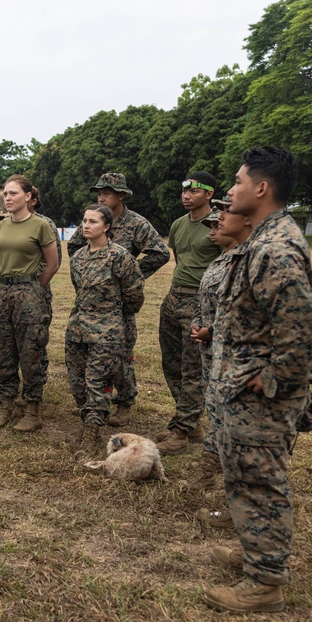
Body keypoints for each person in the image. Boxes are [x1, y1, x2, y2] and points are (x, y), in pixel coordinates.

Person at [203, 146, 312, 614]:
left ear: (261, 188)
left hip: (260, 397)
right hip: (241, 387)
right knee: (244, 476)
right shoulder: (262, 239)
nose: (230, 190)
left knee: (259, 480)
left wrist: (271, 381)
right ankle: (255, 550)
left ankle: (265, 582)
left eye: (236, 181)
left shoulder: (275, 248)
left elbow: (301, 330)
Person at [66, 173, 169, 426]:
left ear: (121, 195)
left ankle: (124, 403)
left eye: (108, 193)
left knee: (122, 355)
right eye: (99, 192)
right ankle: (94, 401)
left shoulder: (137, 223)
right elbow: (74, 248)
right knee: (92, 357)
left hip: (121, 300)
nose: (102, 197)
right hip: (95, 299)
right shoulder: (92, 219)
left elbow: (160, 252)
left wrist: (132, 273)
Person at [183, 201, 250, 510]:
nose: (214, 227)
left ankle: (229, 479)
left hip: (230, 351)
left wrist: (212, 330)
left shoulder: (245, 260)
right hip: (212, 350)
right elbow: (203, 299)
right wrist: (199, 325)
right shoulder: (219, 262)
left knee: (228, 415)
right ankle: (211, 467)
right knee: (213, 406)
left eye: (217, 222)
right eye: (210, 225)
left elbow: (237, 312)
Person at [65, 204, 144, 459]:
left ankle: (92, 435)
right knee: (78, 384)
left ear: (107, 227)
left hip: (106, 331)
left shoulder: (120, 257)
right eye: (84, 221)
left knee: (97, 383)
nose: (86, 226)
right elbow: (80, 290)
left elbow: (134, 296)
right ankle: (87, 420)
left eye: (93, 222)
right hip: (78, 329)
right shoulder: (78, 258)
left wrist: (112, 318)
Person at [0, 175, 60, 432]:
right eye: (5, 193)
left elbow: (53, 264)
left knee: (31, 351)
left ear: (28, 196)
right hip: (1, 293)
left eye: (13, 193)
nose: (7, 198)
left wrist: (33, 289)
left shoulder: (41, 226)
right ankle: (7, 403)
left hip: (29, 293)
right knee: (1, 349)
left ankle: (32, 409)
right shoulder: (0, 227)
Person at [157, 171, 222, 454]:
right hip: (174, 298)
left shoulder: (218, 224)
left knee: (193, 368)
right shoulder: (178, 224)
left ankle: (181, 431)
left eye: (194, 191)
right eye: (184, 191)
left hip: (201, 302)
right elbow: (179, 258)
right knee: (171, 364)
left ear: (209, 194)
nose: (186, 196)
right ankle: (191, 420)